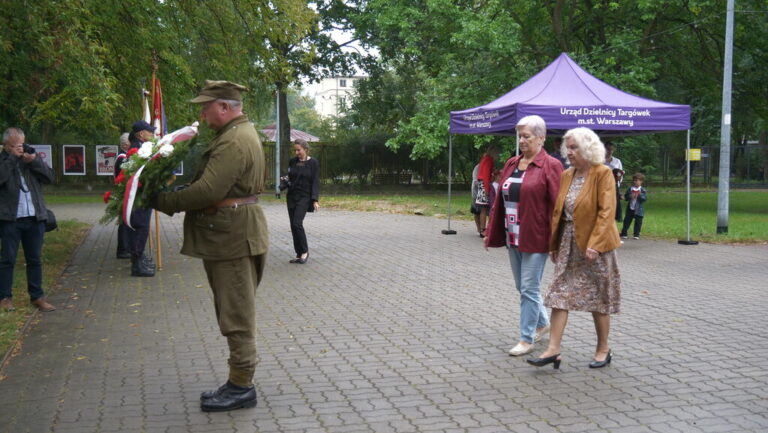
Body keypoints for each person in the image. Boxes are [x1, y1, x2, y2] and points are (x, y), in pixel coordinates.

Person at [153, 80, 268, 412]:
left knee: (236, 313)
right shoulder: (235, 135)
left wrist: (162, 200)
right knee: (233, 308)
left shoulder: (233, 140)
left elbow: (208, 192)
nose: (202, 114)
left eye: (206, 107)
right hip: (233, 232)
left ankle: (241, 386)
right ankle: (237, 381)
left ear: (223, 107)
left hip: (232, 236)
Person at [527, 127, 621, 370]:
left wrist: (596, 244)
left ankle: (603, 349)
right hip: (568, 243)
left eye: (573, 147)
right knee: (559, 294)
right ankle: (553, 350)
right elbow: (559, 212)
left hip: (594, 246)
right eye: (566, 148)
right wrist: (555, 243)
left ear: (588, 148)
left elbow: (606, 212)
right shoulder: (568, 174)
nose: (567, 152)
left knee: (598, 298)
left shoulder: (603, 173)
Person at [485, 115, 563, 357]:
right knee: (523, 287)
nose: (521, 140)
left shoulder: (551, 165)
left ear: (541, 138)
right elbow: (500, 199)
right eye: (520, 136)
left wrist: (556, 240)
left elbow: (558, 206)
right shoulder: (511, 163)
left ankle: (526, 338)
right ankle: (541, 323)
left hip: (536, 237)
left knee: (529, 288)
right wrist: (491, 232)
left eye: (526, 136)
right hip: (513, 235)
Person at [0, 127, 56, 313]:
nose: (20, 148)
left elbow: (50, 177)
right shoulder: (3, 160)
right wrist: (11, 159)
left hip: (34, 217)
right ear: (6, 146)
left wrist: (35, 161)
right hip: (11, 219)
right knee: (8, 259)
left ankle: (37, 297)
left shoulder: (29, 160)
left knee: (35, 259)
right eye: (15, 145)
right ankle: (5, 297)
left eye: (21, 144)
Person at [121, 120, 158, 277]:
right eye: (149, 131)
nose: (151, 134)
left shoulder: (140, 147)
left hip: (141, 194)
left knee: (142, 227)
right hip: (139, 195)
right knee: (140, 227)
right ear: (141, 134)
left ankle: (139, 259)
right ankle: (137, 265)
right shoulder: (136, 149)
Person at [281, 138, 320, 264]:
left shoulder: (313, 163)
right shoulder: (292, 162)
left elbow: (315, 182)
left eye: (299, 150)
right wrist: (284, 182)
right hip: (292, 196)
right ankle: (299, 254)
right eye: (295, 150)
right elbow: (289, 177)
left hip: (304, 197)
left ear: (306, 149)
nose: (296, 152)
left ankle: (304, 252)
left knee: (297, 223)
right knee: (293, 225)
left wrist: (314, 200)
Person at [475, 144, 500, 237]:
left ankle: (483, 229)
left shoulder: (486, 159)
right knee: (484, 208)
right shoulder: (488, 160)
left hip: (483, 184)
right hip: (484, 185)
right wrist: (486, 189)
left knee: (484, 208)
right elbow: (485, 175)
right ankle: (483, 230)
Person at [114, 132, 132, 259]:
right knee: (124, 222)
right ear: (126, 144)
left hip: (126, 193)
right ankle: (123, 249)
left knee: (127, 221)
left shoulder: (124, 156)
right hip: (123, 193)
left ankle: (127, 248)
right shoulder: (122, 158)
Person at [620, 173, 648, 240]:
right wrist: (630, 196)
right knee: (627, 221)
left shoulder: (643, 190)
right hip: (630, 208)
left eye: (637, 180)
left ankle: (636, 234)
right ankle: (624, 233)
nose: (635, 182)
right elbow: (626, 197)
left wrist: (639, 195)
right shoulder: (630, 189)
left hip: (638, 209)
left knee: (638, 222)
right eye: (634, 180)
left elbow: (644, 199)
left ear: (641, 181)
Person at [603, 141, 623, 222]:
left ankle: (614, 220)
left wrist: (618, 180)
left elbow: (621, 173)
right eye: (607, 149)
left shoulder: (617, 161)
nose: (609, 151)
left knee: (614, 204)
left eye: (611, 149)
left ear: (613, 150)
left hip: (614, 185)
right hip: (603, 185)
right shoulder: (600, 160)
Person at [470, 163, 482, 236]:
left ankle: (482, 228)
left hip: (485, 191)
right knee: (476, 211)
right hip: (476, 192)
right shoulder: (478, 167)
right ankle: (479, 228)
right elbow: (475, 180)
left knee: (483, 211)